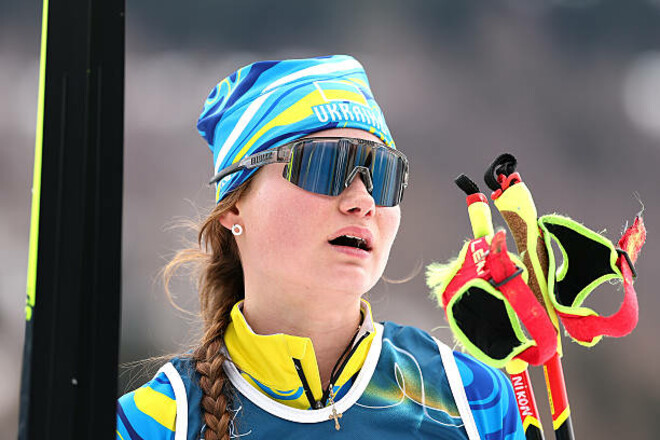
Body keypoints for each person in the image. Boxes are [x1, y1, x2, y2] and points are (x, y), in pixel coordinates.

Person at [116, 55, 525, 440]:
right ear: (235, 204)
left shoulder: (471, 398)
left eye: (383, 173)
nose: (363, 201)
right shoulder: (152, 423)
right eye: (324, 165)